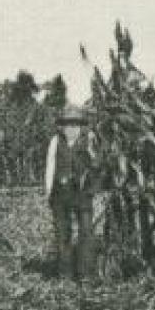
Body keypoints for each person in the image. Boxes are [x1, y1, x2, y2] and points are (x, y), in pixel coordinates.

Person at [44, 104, 96, 279]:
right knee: (63, 234)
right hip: (61, 193)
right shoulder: (55, 141)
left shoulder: (89, 140)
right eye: (68, 124)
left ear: (81, 126)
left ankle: (85, 274)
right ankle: (64, 273)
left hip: (82, 193)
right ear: (62, 126)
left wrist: (92, 185)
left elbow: (95, 164)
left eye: (75, 124)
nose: (72, 128)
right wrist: (49, 192)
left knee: (86, 233)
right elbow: (50, 167)